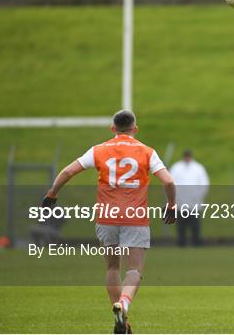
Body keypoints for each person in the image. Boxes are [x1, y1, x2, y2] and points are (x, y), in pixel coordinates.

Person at [41, 110, 177, 334]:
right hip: (135, 217)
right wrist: (171, 205)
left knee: (113, 267)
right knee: (134, 270)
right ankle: (123, 304)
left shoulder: (99, 150)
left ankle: (123, 319)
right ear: (135, 129)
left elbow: (68, 171)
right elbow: (169, 182)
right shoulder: (147, 152)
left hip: (106, 216)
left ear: (112, 129)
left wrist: (52, 194)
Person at [170, 149, 209, 246]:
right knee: (181, 225)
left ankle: (196, 242)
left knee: (195, 224)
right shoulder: (176, 167)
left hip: (194, 202)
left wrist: (199, 195)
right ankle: (181, 243)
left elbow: (204, 183)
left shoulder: (198, 168)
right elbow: (171, 183)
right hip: (180, 202)